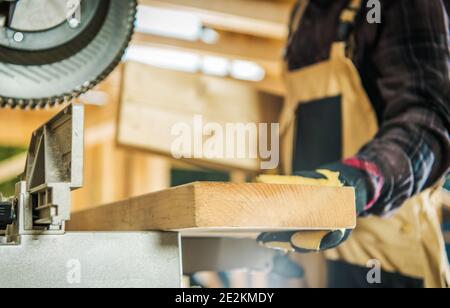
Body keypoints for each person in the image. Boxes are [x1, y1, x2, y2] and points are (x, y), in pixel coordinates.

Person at [257, 0, 450, 288]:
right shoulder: (303, 12)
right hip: (309, 252)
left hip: (380, 263)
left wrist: (356, 183)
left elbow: (428, 121)